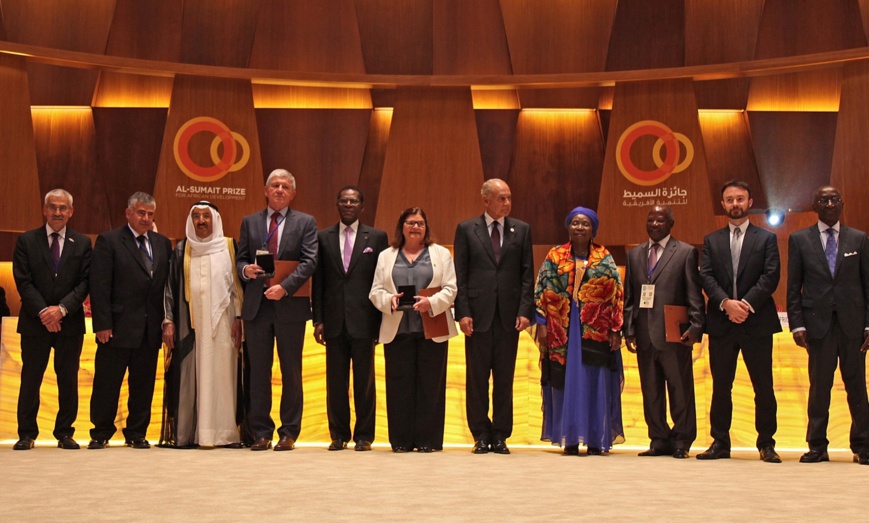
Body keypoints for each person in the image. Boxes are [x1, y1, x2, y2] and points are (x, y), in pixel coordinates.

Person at [698, 180, 781, 462]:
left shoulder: (766, 238)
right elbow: (706, 276)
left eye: (740, 199)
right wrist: (726, 304)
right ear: (722, 204)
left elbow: (771, 276)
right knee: (721, 386)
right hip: (722, 323)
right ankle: (720, 442)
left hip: (756, 322)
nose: (735, 204)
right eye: (730, 199)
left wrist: (745, 305)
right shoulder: (711, 240)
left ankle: (766, 443)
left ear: (750, 202)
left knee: (763, 386)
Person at [787, 186, 869, 465]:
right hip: (816, 326)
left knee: (857, 386)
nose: (830, 203)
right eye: (824, 200)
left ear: (842, 204)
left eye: (835, 199)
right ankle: (817, 445)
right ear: (815, 205)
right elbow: (793, 286)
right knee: (819, 387)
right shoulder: (799, 240)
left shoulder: (859, 239)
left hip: (854, 327)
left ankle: (863, 445)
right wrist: (797, 325)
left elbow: (868, 286)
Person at [237, 168, 317, 451]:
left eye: (285, 186)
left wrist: (285, 287)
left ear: (293, 193)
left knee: (291, 370)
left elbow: (309, 262)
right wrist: (246, 269)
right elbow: (240, 259)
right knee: (258, 371)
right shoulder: (250, 222)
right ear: (265, 190)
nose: (280, 190)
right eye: (275, 185)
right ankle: (261, 431)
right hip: (257, 308)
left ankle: (289, 432)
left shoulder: (306, 222)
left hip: (289, 306)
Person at [534, 207, 624, 455]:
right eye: (575, 223)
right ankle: (570, 438)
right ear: (568, 227)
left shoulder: (604, 257)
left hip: (597, 330)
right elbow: (541, 288)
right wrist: (541, 323)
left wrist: (616, 328)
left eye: (585, 223)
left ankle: (595, 438)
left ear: (593, 228)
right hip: (562, 331)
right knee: (567, 382)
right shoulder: (555, 255)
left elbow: (617, 293)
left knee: (593, 382)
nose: (580, 227)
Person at [454, 179, 534, 455]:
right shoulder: (466, 229)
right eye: (501, 198)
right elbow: (459, 275)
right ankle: (480, 434)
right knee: (476, 379)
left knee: (504, 378)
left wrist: (525, 311)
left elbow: (527, 275)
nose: (507, 203)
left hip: (508, 317)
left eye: (509, 198)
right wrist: (462, 311)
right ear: (485, 200)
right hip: (477, 316)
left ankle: (500, 434)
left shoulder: (521, 230)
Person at [369, 207, 458, 453]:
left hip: (432, 326)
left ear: (426, 227)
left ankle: (428, 440)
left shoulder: (441, 254)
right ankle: (401, 441)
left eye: (419, 223)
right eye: (410, 222)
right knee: (399, 387)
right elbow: (375, 290)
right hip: (398, 330)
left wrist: (432, 302)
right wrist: (389, 301)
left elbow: (451, 288)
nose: (415, 227)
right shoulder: (387, 255)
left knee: (431, 385)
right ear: (402, 227)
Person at [88, 192, 172, 449]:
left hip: (149, 329)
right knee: (107, 383)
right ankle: (101, 432)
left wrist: (166, 321)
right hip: (116, 327)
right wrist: (102, 324)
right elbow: (99, 285)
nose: (145, 218)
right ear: (128, 213)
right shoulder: (110, 241)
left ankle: (136, 432)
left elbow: (165, 286)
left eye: (149, 214)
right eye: (140, 213)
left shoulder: (162, 243)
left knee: (143, 384)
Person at [12, 189, 92, 450]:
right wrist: (45, 313)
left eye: (63, 208)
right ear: (44, 210)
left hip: (69, 323)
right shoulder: (26, 240)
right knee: (31, 377)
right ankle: (26, 433)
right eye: (53, 207)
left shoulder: (82, 243)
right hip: (35, 322)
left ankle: (65, 432)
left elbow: (85, 282)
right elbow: (23, 281)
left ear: (71, 211)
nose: (58, 212)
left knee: (67, 378)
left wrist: (62, 309)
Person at [160, 201, 244, 448]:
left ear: (215, 219)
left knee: (224, 376)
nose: (201, 221)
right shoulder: (182, 250)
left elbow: (238, 288)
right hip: (192, 326)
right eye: (196, 216)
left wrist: (239, 319)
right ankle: (197, 433)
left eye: (206, 216)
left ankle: (225, 434)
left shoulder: (229, 246)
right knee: (193, 375)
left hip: (224, 324)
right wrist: (169, 320)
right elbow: (169, 289)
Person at [623, 206, 705, 459]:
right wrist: (629, 329)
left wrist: (696, 325)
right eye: (651, 219)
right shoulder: (635, 254)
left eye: (661, 220)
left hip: (674, 333)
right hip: (645, 333)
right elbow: (630, 296)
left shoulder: (685, 252)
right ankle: (658, 438)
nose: (655, 224)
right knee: (651, 390)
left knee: (680, 389)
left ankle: (682, 439)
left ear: (671, 224)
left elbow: (694, 293)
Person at [312, 186, 388, 451]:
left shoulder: (377, 238)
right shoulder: (323, 237)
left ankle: (365, 435)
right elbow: (318, 282)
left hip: (365, 320)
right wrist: (317, 319)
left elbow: (383, 281)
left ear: (362, 207)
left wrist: (381, 322)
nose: (348, 204)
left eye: (353, 201)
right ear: (337, 204)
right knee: (335, 381)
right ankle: (338, 434)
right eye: (343, 200)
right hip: (333, 320)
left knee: (365, 381)